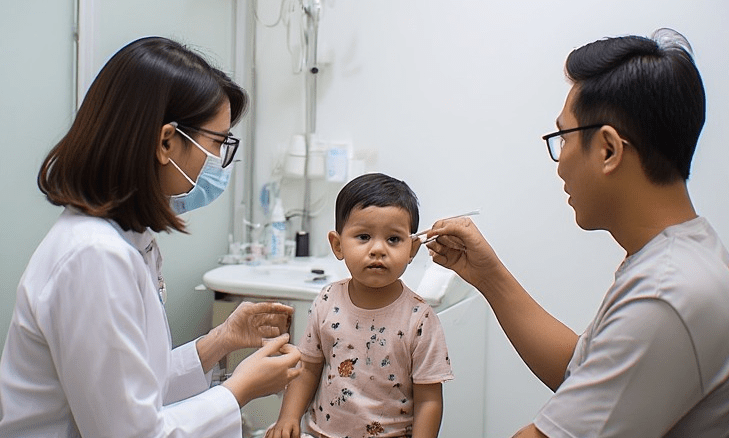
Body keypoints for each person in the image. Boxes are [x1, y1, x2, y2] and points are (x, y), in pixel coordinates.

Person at [425, 28, 729, 437]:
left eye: (562, 138)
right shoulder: (679, 257)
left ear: (608, 150)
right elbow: (580, 371)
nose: (560, 163)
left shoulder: (666, 293)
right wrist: (486, 274)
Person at [0, 37, 301, 437]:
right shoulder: (95, 257)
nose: (220, 164)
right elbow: (132, 432)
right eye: (218, 143)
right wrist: (239, 390)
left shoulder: (124, 241)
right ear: (165, 142)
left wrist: (220, 340)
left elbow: (136, 389)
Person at [266, 173, 454, 438]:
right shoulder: (327, 300)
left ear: (412, 250)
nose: (378, 249)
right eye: (364, 236)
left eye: (393, 239)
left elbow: (429, 400)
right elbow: (307, 368)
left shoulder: (420, 319)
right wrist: (288, 417)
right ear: (337, 244)